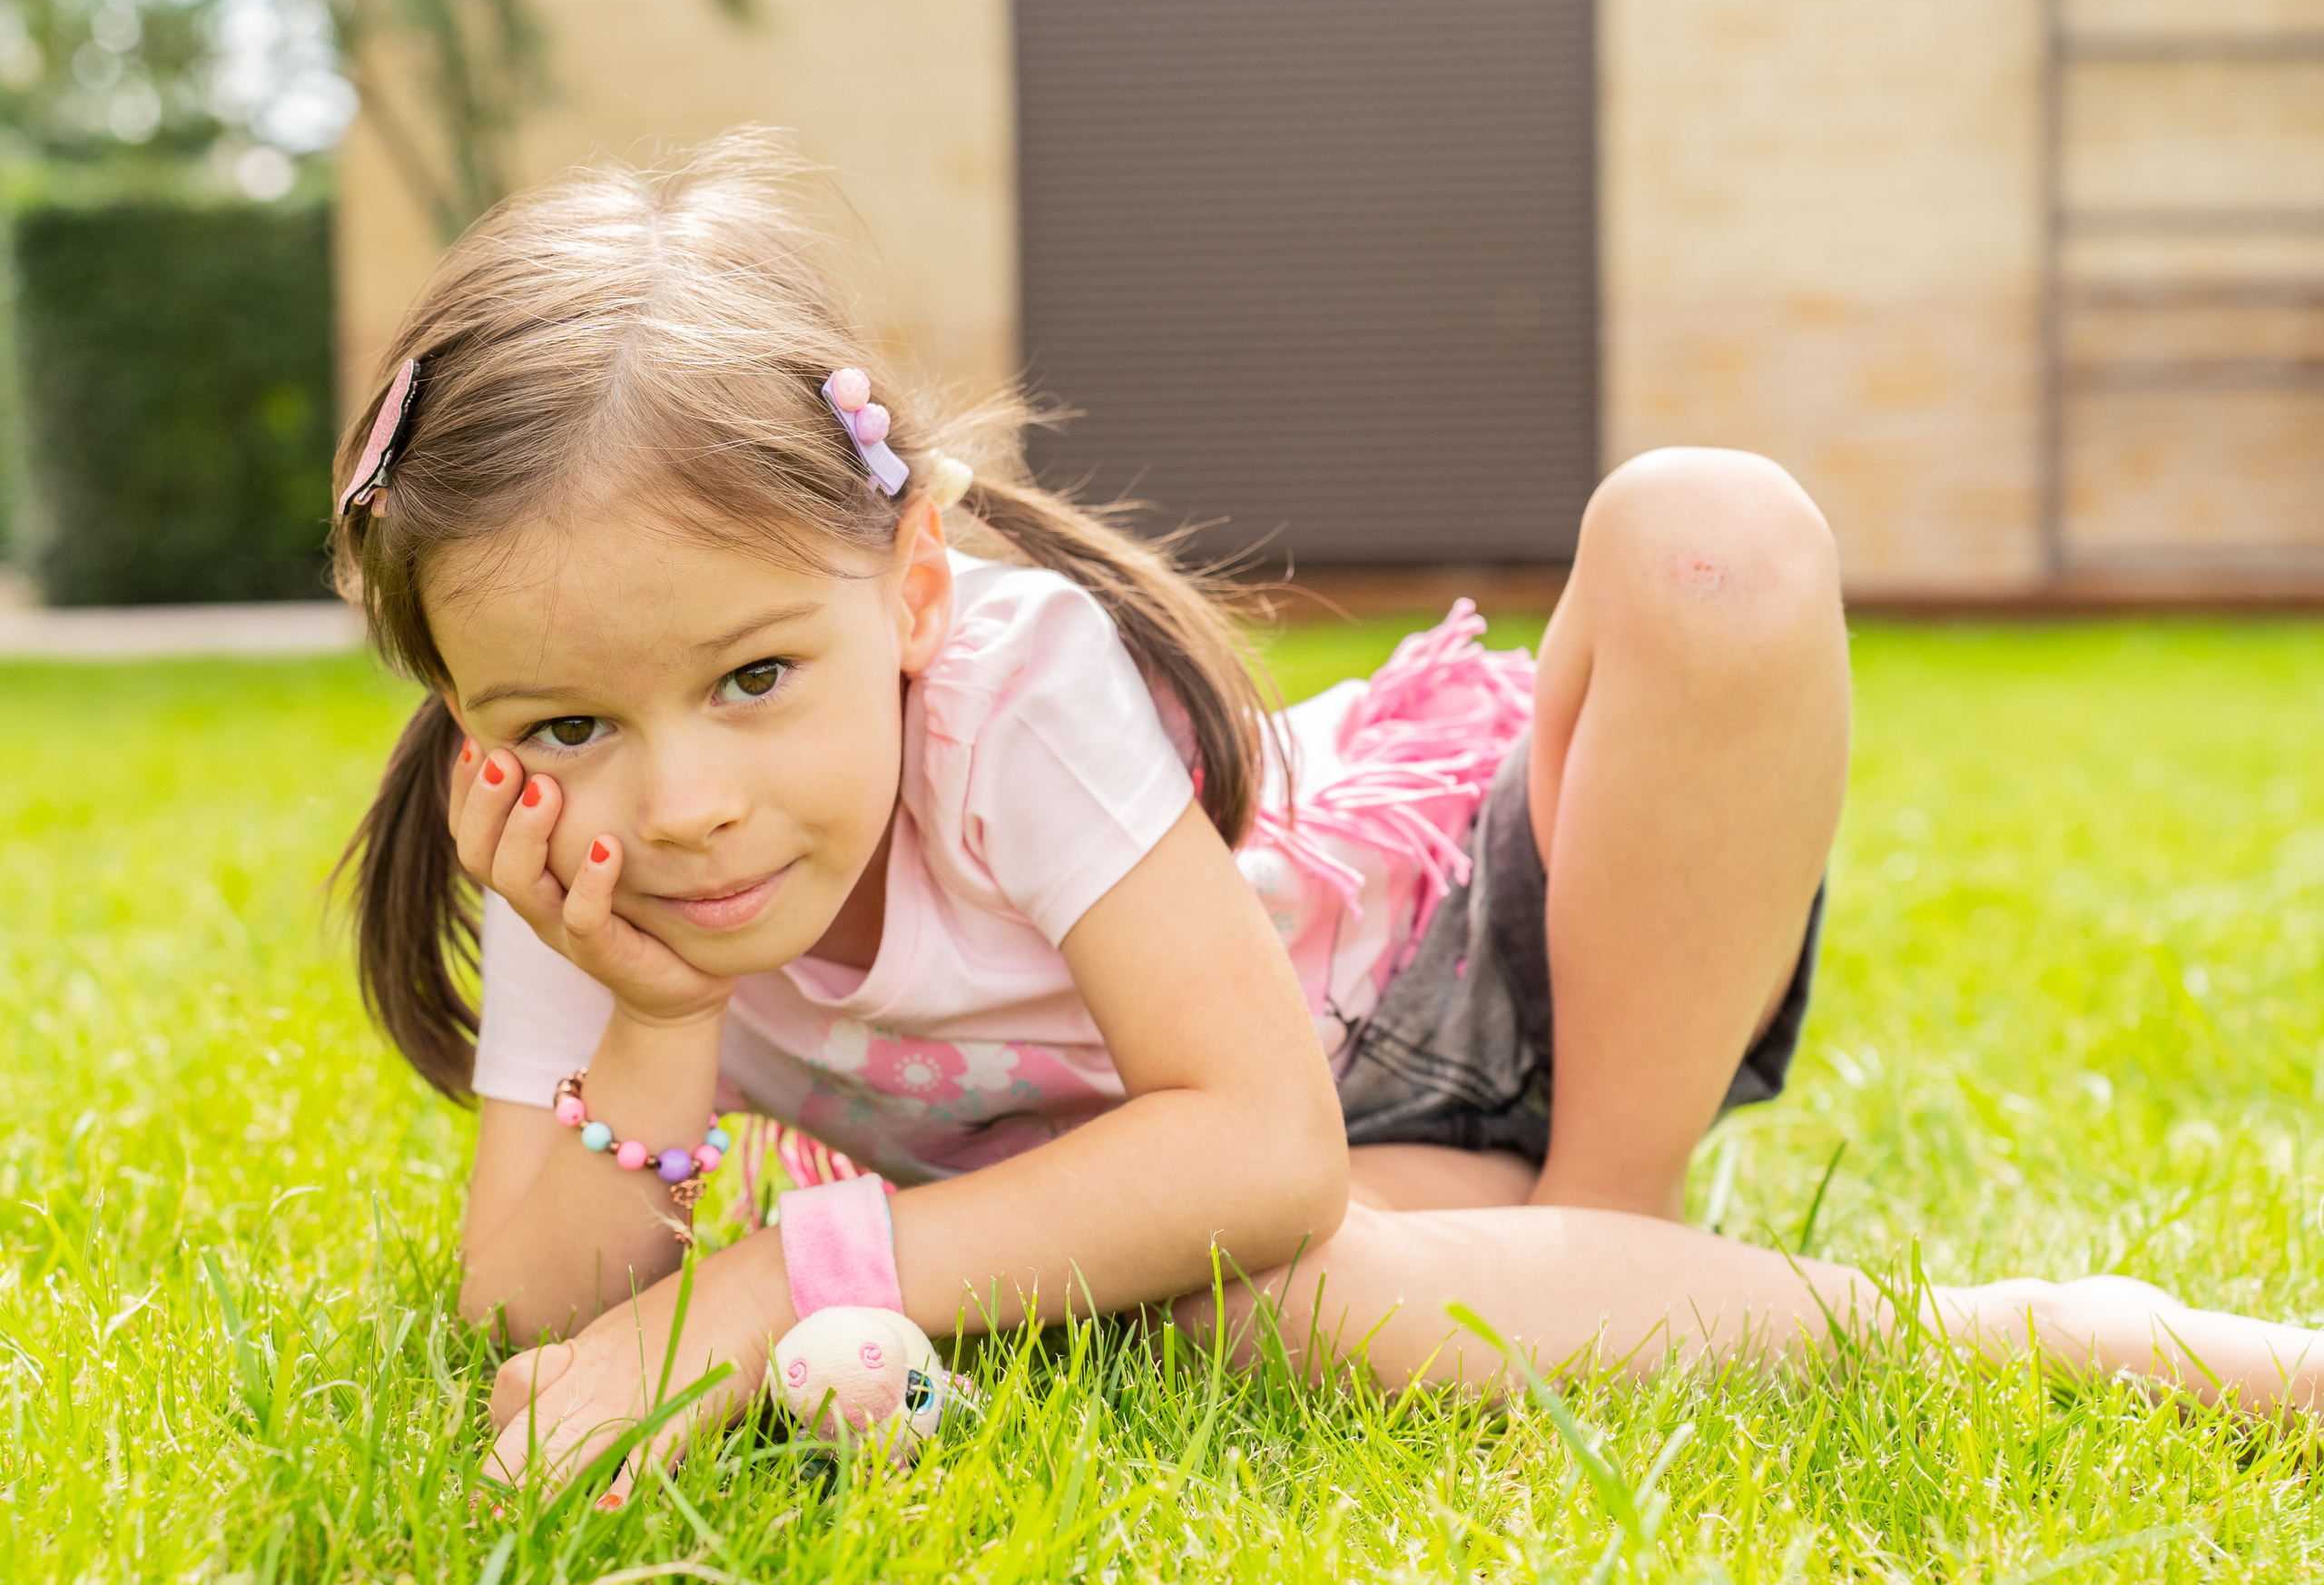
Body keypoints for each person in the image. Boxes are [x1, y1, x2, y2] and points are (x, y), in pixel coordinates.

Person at [337, 133, 2320, 1500]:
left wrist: (786, 1281)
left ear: (912, 583)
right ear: (468, 708)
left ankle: (1728, 1260)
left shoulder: (1008, 685)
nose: (679, 803)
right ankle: (1585, 1298)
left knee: (1710, 538)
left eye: (756, 677)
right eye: (569, 719)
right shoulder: (560, 821)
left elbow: (1256, 1143)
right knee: (1262, 1304)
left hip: (1459, 983)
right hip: (1241, 1183)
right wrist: (658, 1011)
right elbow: (538, 1313)